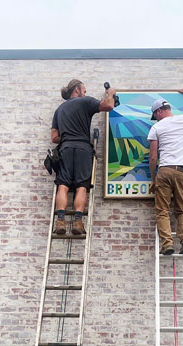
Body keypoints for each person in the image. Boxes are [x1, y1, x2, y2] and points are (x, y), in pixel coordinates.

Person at [51, 79, 115, 235]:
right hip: (83, 149)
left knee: (63, 185)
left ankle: (60, 221)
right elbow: (109, 106)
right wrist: (111, 93)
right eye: (84, 91)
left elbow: (54, 137)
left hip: (65, 148)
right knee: (81, 186)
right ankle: (78, 223)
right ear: (77, 91)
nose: (85, 93)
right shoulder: (85, 102)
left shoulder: (59, 110)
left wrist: (67, 136)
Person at [147, 86, 183, 255]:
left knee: (162, 211)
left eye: (155, 115)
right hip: (182, 172)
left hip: (164, 170)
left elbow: (153, 157)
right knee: (181, 209)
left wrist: (153, 178)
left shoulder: (156, 128)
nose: (155, 118)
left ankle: (167, 244)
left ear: (158, 111)